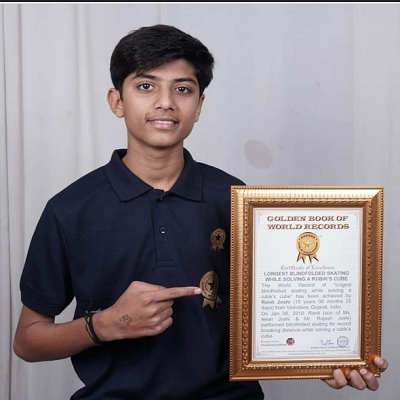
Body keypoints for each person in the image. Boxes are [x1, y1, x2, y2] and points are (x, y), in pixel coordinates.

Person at [13, 24, 388, 400]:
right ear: (117, 101)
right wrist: (106, 325)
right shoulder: (70, 208)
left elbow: (281, 306)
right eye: (146, 86)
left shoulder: (236, 198)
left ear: (199, 106)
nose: (165, 102)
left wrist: (322, 355)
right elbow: (28, 341)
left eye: (182, 89)